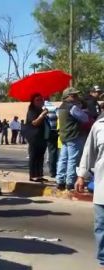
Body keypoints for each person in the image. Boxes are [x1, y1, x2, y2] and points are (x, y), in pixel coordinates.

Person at [75, 116, 104, 270]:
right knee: (101, 225)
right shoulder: (98, 126)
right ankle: (103, 260)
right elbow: (88, 152)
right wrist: (81, 176)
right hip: (102, 184)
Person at [56, 87, 89, 191]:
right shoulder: (72, 107)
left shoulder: (60, 107)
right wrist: (83, 109)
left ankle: (60, 180)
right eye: (74, 95)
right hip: (74, 136)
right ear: (68, 97)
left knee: (63, 159)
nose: (77, 97)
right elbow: (85, 118)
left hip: (64, 137)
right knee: (72, 160)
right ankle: (70, 182)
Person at [25, 94, 49, 182]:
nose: (40, 102)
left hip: (42, 136)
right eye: (38, 100)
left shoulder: (41, 110)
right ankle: (33, 175)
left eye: (41, 100)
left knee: (40, 156)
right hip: (34, 137)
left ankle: (39, 174)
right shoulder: (32, 111)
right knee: (34, 156)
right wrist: (42, 115)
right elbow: (34, 123)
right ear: (33, 101)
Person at [44, 100, 59, 178]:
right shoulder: (54, 107)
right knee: (53, 151)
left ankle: (51, 169)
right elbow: (59, 118)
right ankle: (53, 171)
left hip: (43, 133)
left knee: (47, 152)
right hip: (53, 132)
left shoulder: (40, 108)